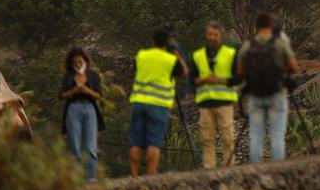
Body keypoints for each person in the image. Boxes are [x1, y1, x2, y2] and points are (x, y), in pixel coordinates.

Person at [237, 13, 299, 163]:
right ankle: (278, 171)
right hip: (276, 95)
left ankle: (255, 172)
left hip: (255, 96)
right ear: (271, 26)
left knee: (256, 136)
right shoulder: (279, 43)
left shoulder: (248, 45)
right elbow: (294, 67)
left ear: (256, 27)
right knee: (277, 135)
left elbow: (239, 72)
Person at [128, 27, 188, 177]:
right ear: (168, 42)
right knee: (153, 143)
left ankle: (133, 175)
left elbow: (136, 69)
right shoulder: (170, 59)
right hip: (158, 105)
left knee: (136, 142)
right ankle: (151, 175)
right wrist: (174, 50)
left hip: (138, 102)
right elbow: (184, 72)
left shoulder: (142, 55)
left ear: (152, 40)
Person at [189, 21, 240, 168]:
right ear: (206, 35)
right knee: (207, 138)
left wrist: (221, 80)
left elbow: (237, 77)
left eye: (215, 34)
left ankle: (229, 167)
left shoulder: (230, 54)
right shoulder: (197, 55)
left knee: (228, 138)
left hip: (224, 102)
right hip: (205, 103)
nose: (212, 37)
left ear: (221, 36)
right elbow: (192, 79)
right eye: (210, 34)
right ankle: (209, 168)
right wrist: (205, 80)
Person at [59, 47, 104, 182]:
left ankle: (91, 177)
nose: (78, 65)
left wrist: (86, 90)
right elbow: (61, 95)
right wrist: (73, 91)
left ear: (85, 61)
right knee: (75, 144)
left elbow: (100, 96)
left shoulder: (93, 75)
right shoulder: (68, 76)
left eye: (80, 61)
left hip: (90, 109)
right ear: (71, 64)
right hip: (73, 109)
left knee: (90, 146)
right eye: (75, 63)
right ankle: (76, 177)